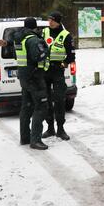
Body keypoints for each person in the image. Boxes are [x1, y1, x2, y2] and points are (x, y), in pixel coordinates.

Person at [0, 17, 50, 150]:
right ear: (35, 27)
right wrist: (46, 50)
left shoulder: (18, 39)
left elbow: (15, 53)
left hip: (24, 78)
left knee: (26, 107)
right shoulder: (33, 40)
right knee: (41, 107)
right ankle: (35, 140)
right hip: (35, 78)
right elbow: (38, 56)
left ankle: (25, 138)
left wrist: (6, 43)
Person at [41, 11, 76, 141]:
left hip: (58, 72)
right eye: (48, 20)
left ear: (58, 21)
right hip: (45, 72)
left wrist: (64, 63)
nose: (49, 22)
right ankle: (50, 128)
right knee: (46, 101)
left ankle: (60, 129)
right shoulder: (44, 32)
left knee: (60, 100)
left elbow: (71, 55)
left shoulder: (66, 35)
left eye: (52, 20)